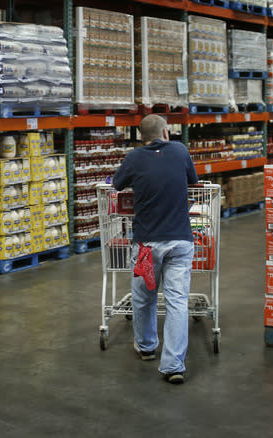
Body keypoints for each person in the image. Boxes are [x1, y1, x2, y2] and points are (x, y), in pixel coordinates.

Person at [113, 114, 199, 384]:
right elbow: (192, 181)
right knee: (176, 302)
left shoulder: (134, 157)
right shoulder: (181, 150)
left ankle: (147, 346)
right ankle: (174, 365)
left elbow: (116, 184)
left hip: (147, 245)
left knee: (144, 296)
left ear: (141, 137)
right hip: (180, 243)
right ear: (166, 132)